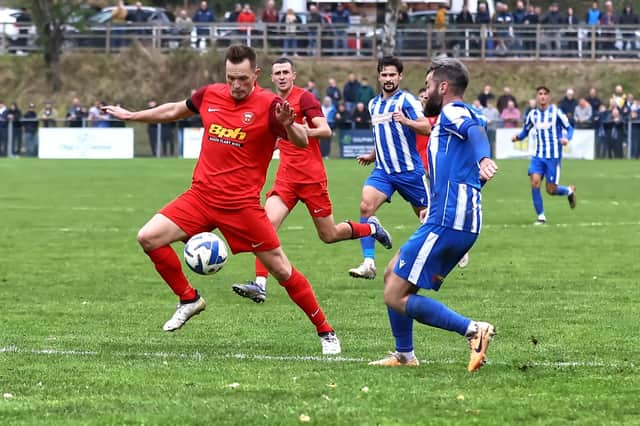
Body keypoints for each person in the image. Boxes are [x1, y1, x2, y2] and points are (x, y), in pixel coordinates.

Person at [102, 45, 341, 355]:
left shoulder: (271, 104)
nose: (236, 85)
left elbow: (300, 140)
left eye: (242, 79)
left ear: (256, 74)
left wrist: (289, 122)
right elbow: (174, 109)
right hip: (200, 196)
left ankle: (326, 332)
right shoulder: (210, 95)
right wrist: (132, 115)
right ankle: (189, 299)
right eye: (231, 78)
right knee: (148, 237)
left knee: (282, 270)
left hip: (241, 206)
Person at [368, 57, 498, 371]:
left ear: (443, 87)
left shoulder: (455, 112)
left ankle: (473, 330)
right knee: (391, 277)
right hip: (448, 217)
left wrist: (483, 159)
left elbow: (476, 132)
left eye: (427, 87)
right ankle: (405, 355)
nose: (424, 93)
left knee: (395, 294)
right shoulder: (451, 119)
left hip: (449, 220)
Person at [232, 57, 392, 304]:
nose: (282, 76)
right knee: (263, 226)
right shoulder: (270, 102)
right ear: (271, 77)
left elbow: (326, 131)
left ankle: (371, 228)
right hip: (286, 178)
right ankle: (259, 285)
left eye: (286, 72)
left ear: (293, 75)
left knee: (328, 235)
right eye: (278, 73)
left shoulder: (304, 98)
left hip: (311, 178)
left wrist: (298, 129)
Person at [349, 56, 430, 280]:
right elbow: (381, 135)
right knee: (366, 206)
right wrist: (372, 154)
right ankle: (368, 263)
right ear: (379, 76)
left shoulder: (407, 101)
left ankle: (451, 249)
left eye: (392, 75)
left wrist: (406, 121)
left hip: (409, 172)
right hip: (383, 171)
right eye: (384, 75)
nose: (388, 79)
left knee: (429, 218)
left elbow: (426, 127)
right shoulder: (373, 104)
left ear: (400, 77)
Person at [511, 85, 577, 225]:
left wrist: (567, 138)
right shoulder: (532, 115)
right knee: (535, 182)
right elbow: (525, 131)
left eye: (545, 94)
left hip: (553, 157)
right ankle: (541, 216)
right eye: (540, 94)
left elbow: (569, 128)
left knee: (551, 190)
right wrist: (518, 137)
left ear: (548, 97)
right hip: (538, 156)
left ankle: (569, 191)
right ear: (537, 97)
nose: (542, 96)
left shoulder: (556, 113)